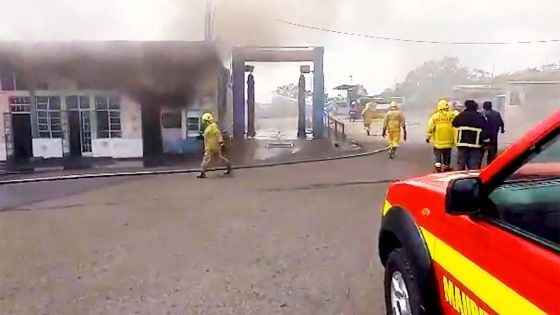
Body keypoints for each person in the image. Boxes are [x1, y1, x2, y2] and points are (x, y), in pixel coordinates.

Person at [452, 100, 490, 170]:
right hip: (475, 145)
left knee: (460, 164)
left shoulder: (461, 115)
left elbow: (454, 123)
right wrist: (486, 143)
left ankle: (460, 178)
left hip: (462, 144)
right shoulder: (480, 116)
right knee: (474, 166)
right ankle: (472, 179)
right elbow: (485, 131)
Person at [197, 113, 232, 178]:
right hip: (214, 147)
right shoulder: (211, 127)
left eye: (204, 121)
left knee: (206, 159)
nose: (204, 122)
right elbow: (211, 136)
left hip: (211, 147)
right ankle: (228, 166)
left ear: (207, 121)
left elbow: (218, 134)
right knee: (219, 158)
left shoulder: (212, 126)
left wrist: (221, 142)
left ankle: (202, 172)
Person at [426, 100, 456, 172]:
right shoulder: (451, 115)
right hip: (449, 140)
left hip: (438, 141)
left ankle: (438, 166)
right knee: (447, 154)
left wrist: (428, 138)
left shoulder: (435, 116)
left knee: (438, 154)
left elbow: (430, 128)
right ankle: (446, 166)